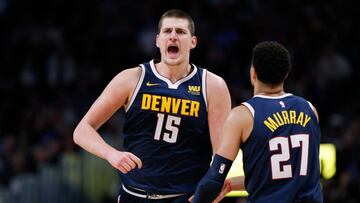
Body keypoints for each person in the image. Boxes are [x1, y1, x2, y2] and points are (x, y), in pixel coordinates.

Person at [73, 9, 231, 203]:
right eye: (167, 31)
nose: (173, 36)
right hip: (134, 195)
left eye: (180, 32)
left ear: (193, 42)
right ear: (157, 40)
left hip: (185, 197)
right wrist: (111, 154)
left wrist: (212, 188)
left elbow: (221, 153)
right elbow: (81, 130)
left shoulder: (213, 86)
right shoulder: (132, 79)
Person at [190, 41, 323, 203]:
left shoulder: (243, 116)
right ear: (286, 73)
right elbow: (289, 176)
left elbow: (214, 179)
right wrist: (232, 184)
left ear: (253, 73)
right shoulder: (310, 109)